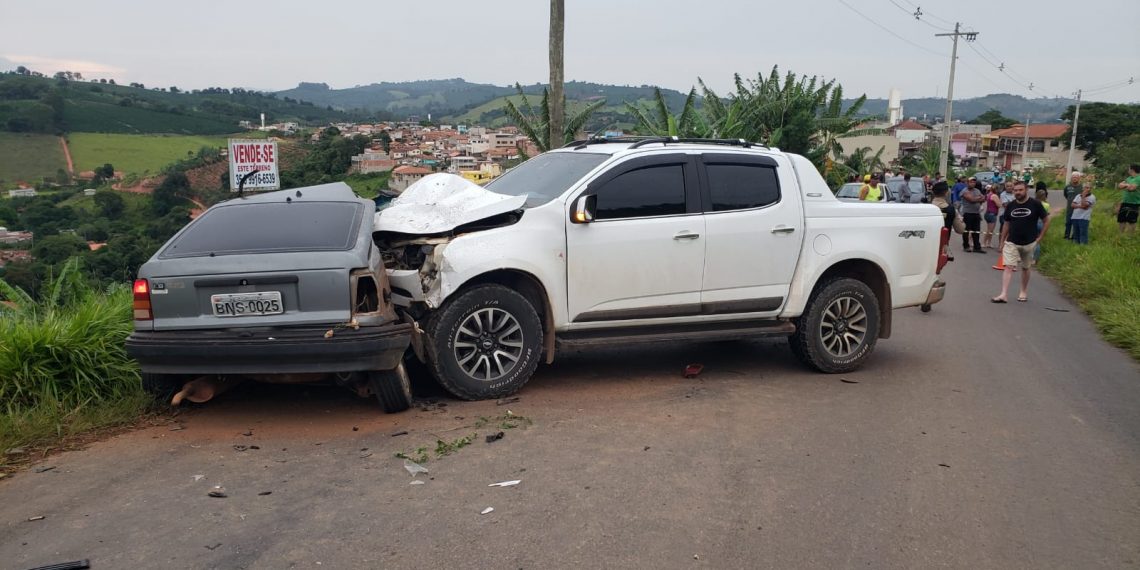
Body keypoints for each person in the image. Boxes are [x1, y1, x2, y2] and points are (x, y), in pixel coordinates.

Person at [992, 181, 1050, 303]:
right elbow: (1006, 224)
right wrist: (1002, 241)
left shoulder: (1035, 204)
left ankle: (1023, 291)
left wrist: (1040, 238)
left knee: (1026, 267)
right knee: (1008, 267)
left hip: (1029, 242)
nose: (1017, 192)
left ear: (1026, 190)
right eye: (1015, 190)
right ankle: (1003, 294)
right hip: (1012, 241)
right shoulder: (1011, 205)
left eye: (1020, 190)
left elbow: (1046, 220)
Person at [931, 181, 955, 262]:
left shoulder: (927, 207)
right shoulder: (951, 209)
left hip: (927, 244)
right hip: (943, 245)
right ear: (946, 192)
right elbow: (961, 229)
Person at [959, 177, 985, 252]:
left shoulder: (977, 190)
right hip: (967, 213)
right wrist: (978, 198)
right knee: (966, 231)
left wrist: (976, 198)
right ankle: (966, 246)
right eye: (971, 182)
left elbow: (983, 198)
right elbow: (971, 200)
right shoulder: (965, 191)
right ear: (967, 183)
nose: (973, 183)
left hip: (976, 213)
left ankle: (977, 247)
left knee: (976, 231)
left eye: (974, 182)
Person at [1117, 164, 1140, 233]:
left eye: (1129, 169)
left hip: (1134, 203)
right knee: (1121, 219)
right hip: (1125, 202)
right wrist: (1127, 185)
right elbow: (1119, 186)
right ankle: (1120, 235)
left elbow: (1131, 188)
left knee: (1131, 220)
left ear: (1132, 170)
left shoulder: (1138, 178)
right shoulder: (1129, 178)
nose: (1128, 170)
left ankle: (1130, 237)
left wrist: (1126, 185)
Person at [1063, 172, 1083, 240]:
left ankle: (1074, 236)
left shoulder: (1082, 187)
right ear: (1071, 178)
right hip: (1070, 208)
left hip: (1079, 208)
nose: (1075, 178)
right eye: (1073, 177)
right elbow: (1065, 195)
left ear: (1079, 178)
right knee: (1068, 222)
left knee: (1076, 223)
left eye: (1076, 177)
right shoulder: (1067, 187)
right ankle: (1066, 236)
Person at [982, 184, 1001, 248]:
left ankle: (989, 243)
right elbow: (999, 205)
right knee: (990, 230)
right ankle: (984, 242)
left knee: (990, 230)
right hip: (992, 214)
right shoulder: (994, 196)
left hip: (988, 213)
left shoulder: (989, 194)